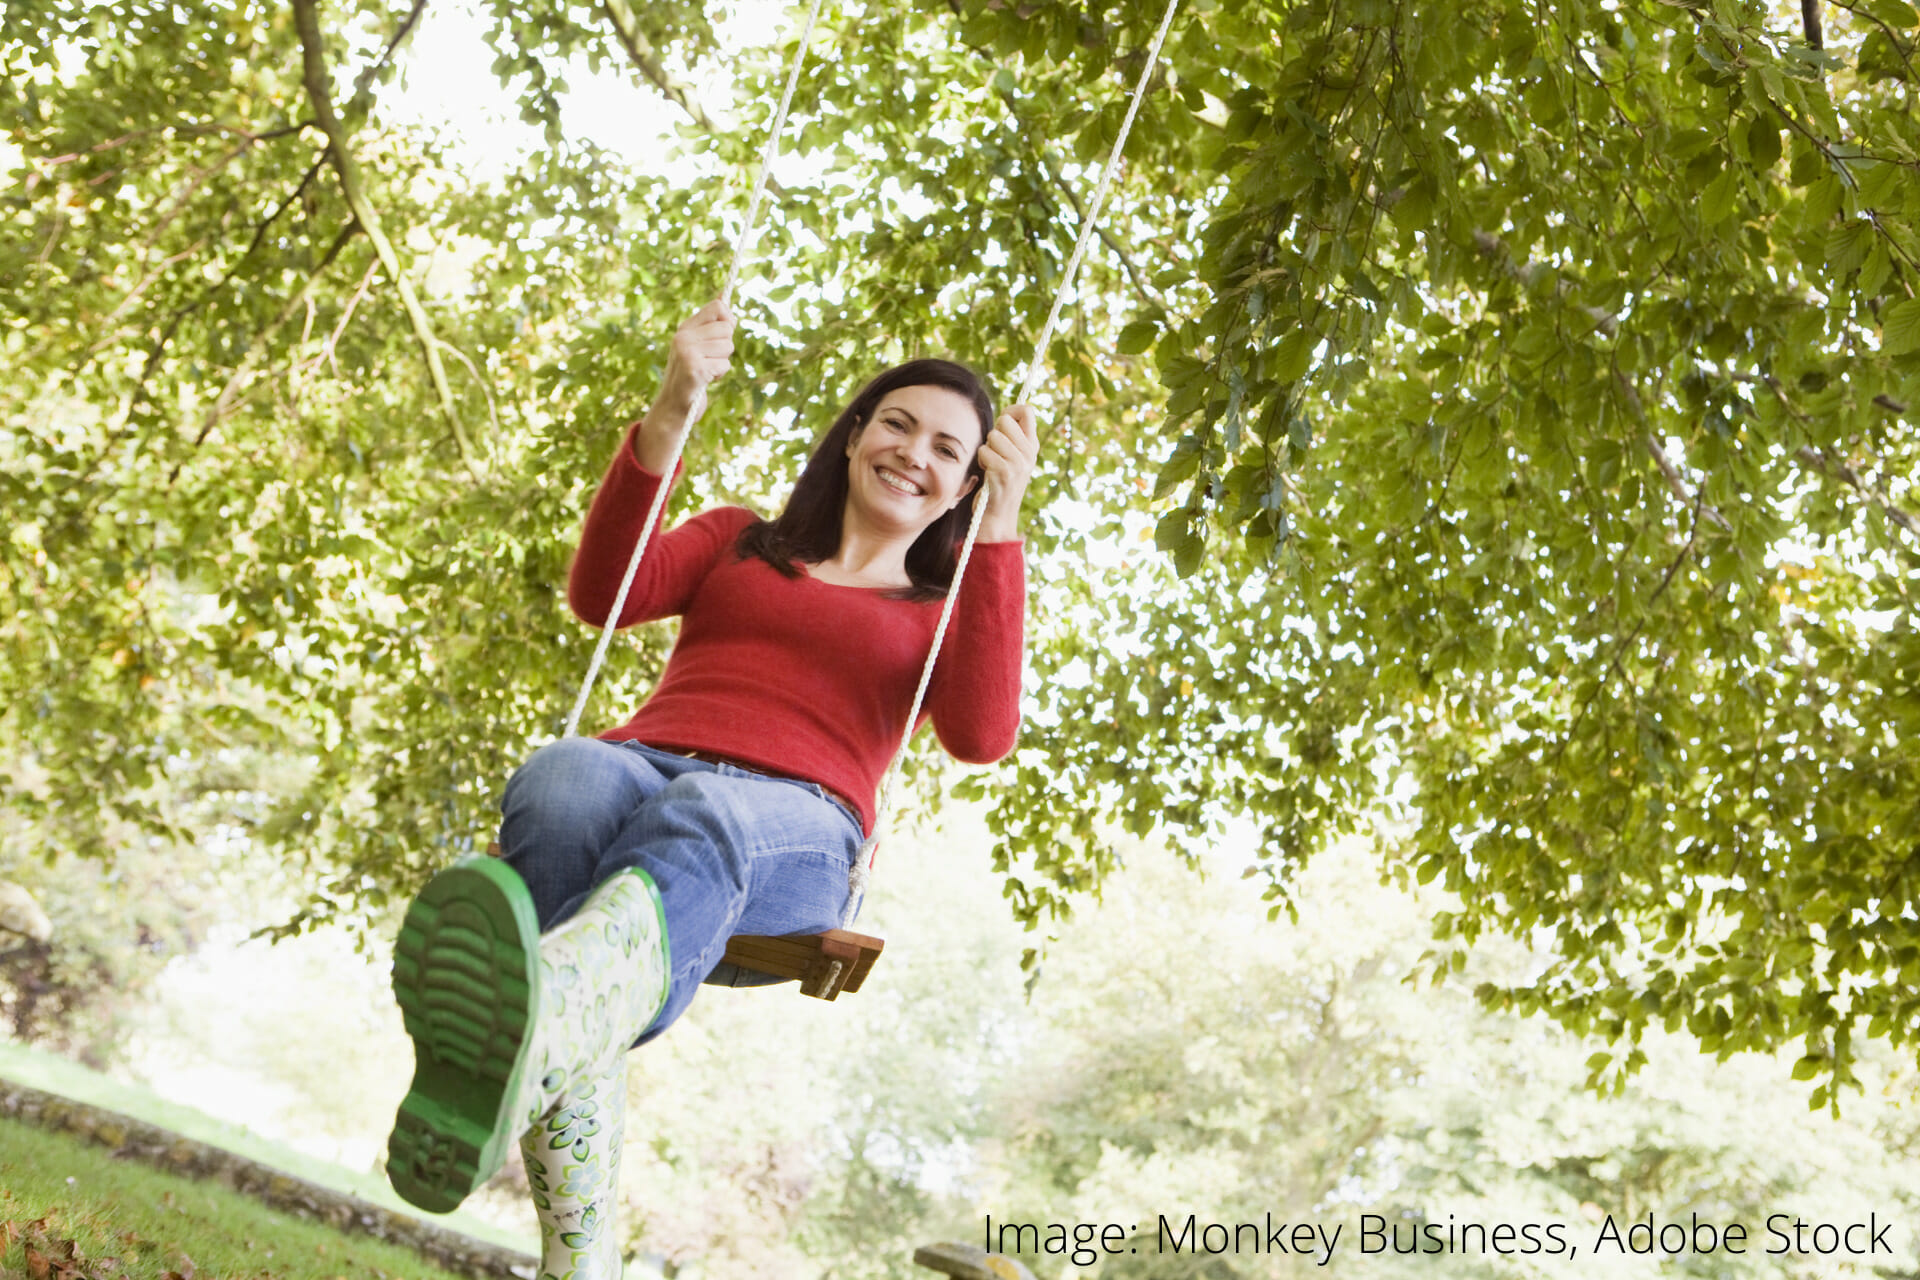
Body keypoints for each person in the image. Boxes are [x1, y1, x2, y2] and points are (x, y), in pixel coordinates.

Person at [382, 299, 1039, 1278]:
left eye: (951, 447)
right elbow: (602, 595)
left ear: (969, 481)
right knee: (566, 773)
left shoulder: (943, 610)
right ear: (855, 433)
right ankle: (576, 1224)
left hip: (796, 835)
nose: (915, 451)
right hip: (643, 774)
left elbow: (981, 734)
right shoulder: (741, 540)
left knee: (703, 811)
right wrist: (672, 406)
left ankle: (526, 1043)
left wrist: (1006, 526)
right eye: (897, 422)